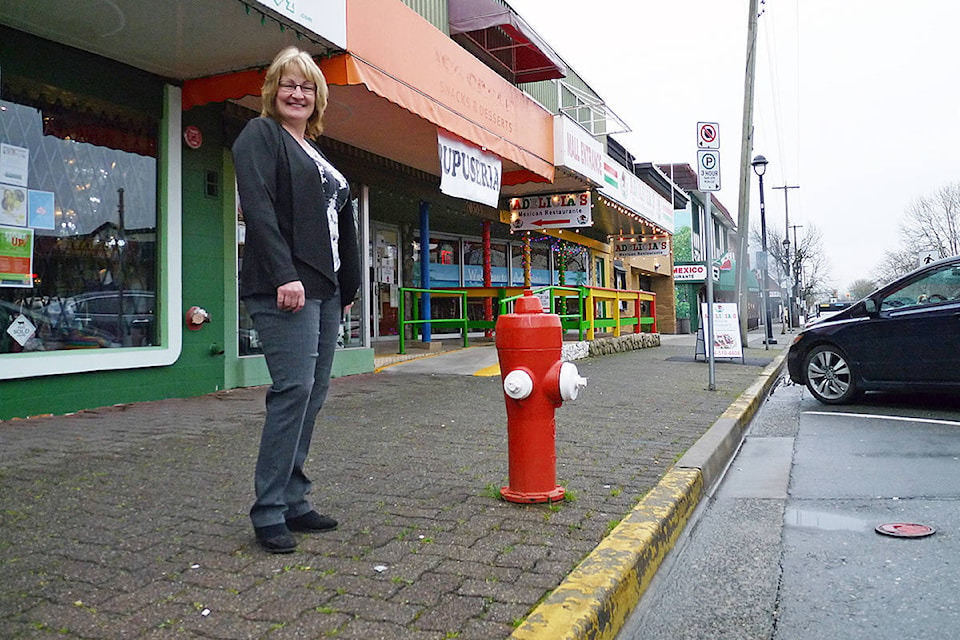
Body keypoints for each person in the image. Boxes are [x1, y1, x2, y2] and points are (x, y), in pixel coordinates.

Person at [232, 47, 361, 554]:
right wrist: (286, 274)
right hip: (286, 286)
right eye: (288, 84)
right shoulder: (260, 136)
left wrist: (346, 289)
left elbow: (339, 225)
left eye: (307, 87)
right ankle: (268, 511)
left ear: (318, 98)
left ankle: (293, 498)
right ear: (272, 90)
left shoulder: (314, 152)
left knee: (314, 391)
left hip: (324, 292)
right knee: (292, 390)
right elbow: (258, 207)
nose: (297, 93)